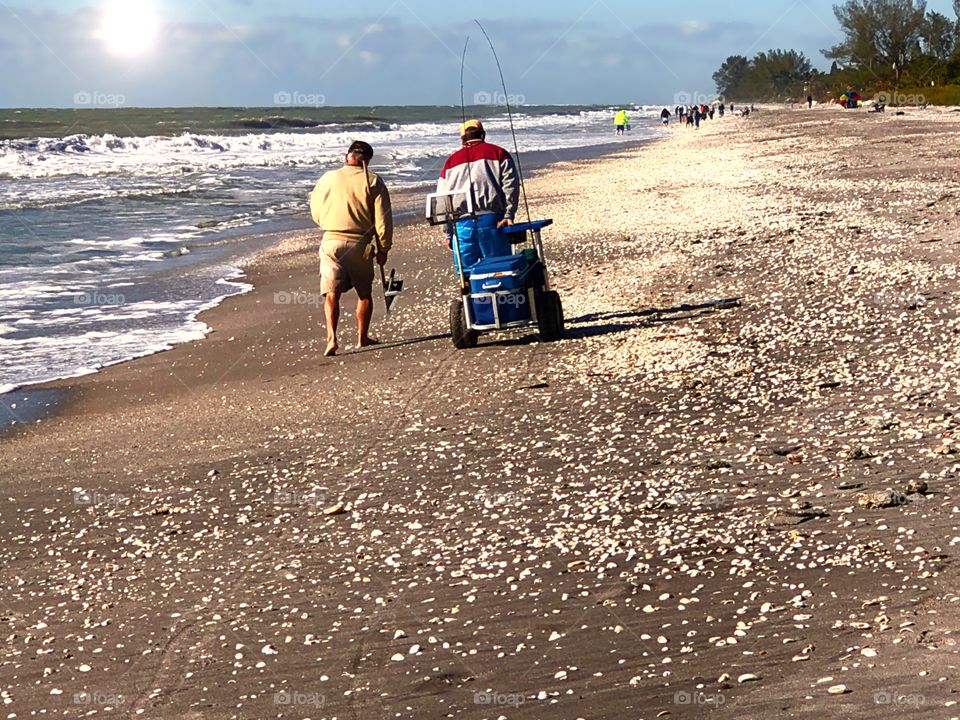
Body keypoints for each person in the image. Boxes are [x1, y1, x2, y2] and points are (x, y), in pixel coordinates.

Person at [310, 140, 393, 357]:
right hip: (360, 243)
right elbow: (382, 220)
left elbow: (315, 208)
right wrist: (384, 248)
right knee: (364, 293)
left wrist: (325, 221)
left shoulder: (328, 177)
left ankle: (331, 338)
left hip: (330, 240)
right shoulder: (373, 181)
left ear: (348, 157)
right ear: (368, 160)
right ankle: (362, 337)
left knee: (331, 293)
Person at [437, 119, 519, 274]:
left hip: (461, 224)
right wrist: (509, 214)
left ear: (462, 139)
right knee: (498, 269)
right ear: (483, 134)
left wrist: (447, 231)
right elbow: (511, 186)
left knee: (466, 274)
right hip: (493, 220)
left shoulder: (450, 162)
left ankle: (470, 297)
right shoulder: (499, 153)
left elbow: (442, 199)